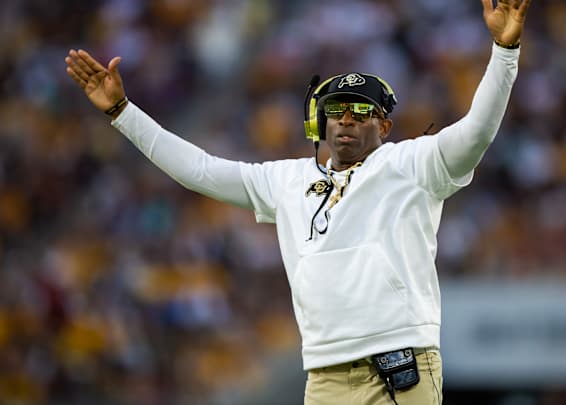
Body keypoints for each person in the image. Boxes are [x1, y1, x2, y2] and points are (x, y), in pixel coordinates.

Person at [65, 0, 531, 403]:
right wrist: (122, 113)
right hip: (325, 375)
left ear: (384, 126)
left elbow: (476, 132)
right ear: (321, 124)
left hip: (401, 364)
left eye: (361, 110)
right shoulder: (286, 180)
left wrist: (504, 52)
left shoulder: (414, 162)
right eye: (335, 110)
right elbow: (199, 170)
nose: (346, 119)